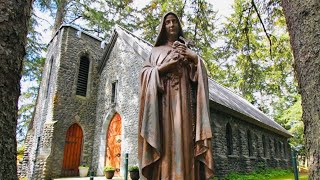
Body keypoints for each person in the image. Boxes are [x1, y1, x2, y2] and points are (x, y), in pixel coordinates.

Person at [138, 12, 213, 180]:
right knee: (165, 144)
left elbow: (198, 78)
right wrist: (163, 68)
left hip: (185, 106)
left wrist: (194, 58)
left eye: (174, 22)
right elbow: (144, 74)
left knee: (185, 142)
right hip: (163, 108)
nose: (171, 25)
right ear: (163, 27)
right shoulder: (155, 51)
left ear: (179, 26)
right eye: (167, 22)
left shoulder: (186, 50)